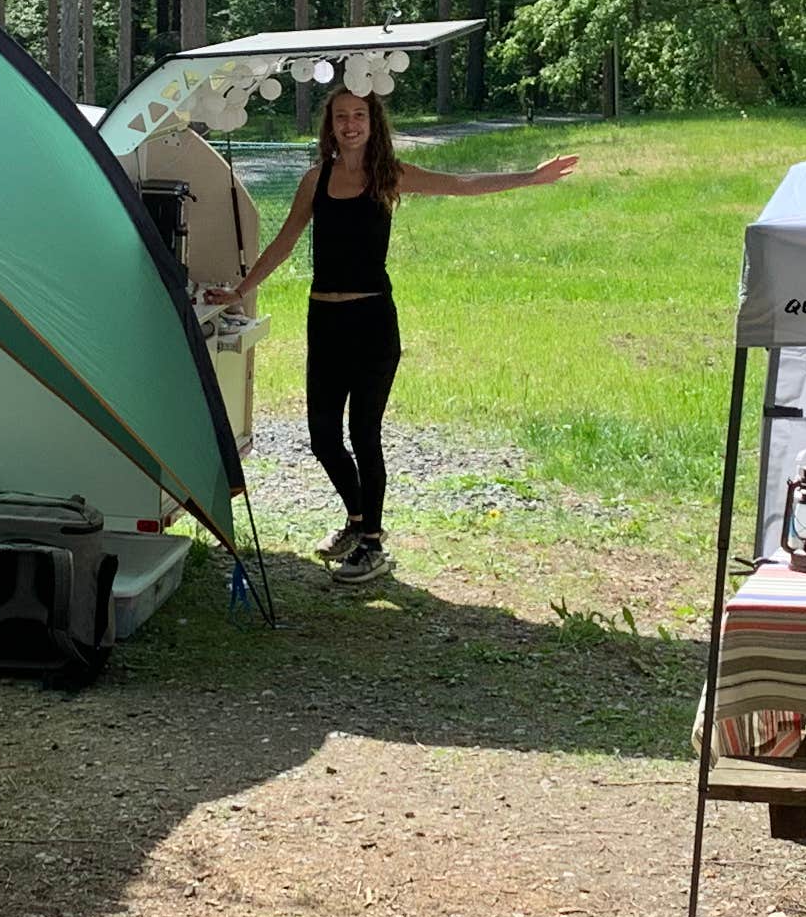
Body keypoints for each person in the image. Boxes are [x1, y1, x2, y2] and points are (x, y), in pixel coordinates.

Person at [215, 82, 577, 582]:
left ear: (373, 123)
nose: (350, 125)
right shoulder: (315, 179)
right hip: (324, 320)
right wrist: (240, 290)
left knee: (364, 435)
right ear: (330, 126)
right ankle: (357, 520)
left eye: (359, 116)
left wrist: (531, 177)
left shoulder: (390, 175)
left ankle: (372, 544)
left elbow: (460, 184)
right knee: (322, 438)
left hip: (373, 322)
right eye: (341, 116)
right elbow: (284, 242)